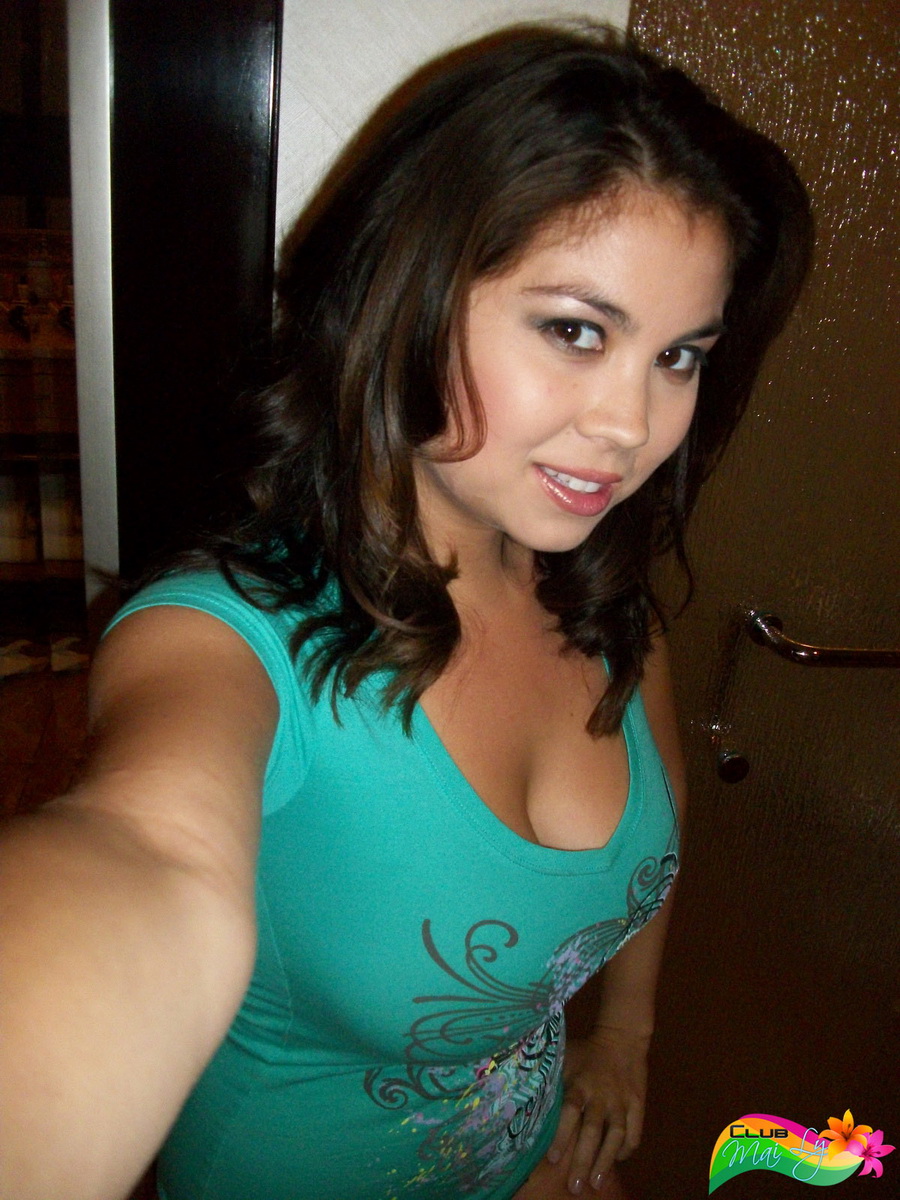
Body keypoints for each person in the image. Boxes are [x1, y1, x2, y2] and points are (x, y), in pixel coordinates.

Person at [0, 21, 813, 1200]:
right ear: (405, 296)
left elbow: (662, 816)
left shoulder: (598, 592)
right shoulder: (226, 642)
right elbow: (148, 849)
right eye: (575, 331)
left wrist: (623, 1037)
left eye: (678, 356)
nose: (634, 427)